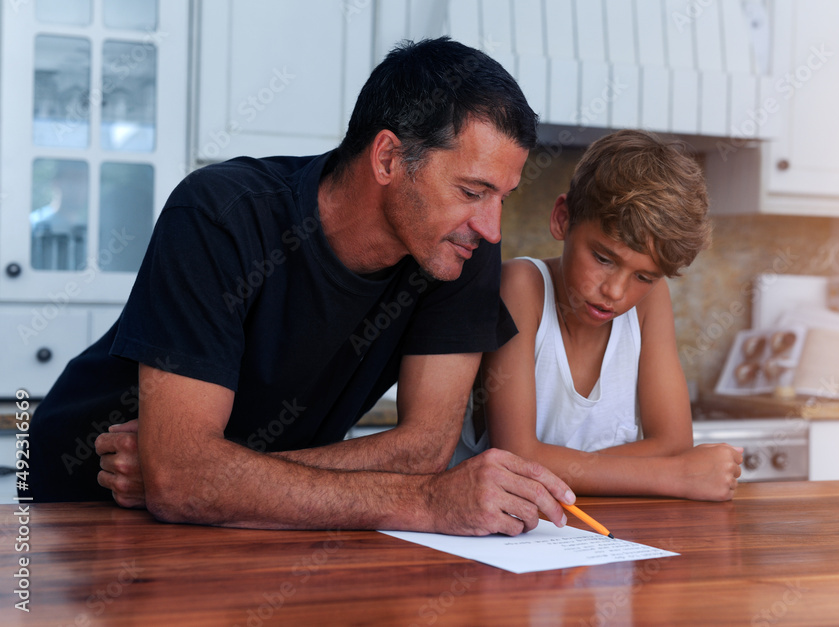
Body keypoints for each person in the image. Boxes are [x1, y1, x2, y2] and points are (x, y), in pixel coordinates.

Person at [23, 37, 577, 536]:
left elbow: (423, 451)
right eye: (472, 189)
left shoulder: (460, 248)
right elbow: (184, 481)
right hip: (79, 505)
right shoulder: (220, 213)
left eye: (502, 196)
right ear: (388, 157)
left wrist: (205, 475)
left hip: (249, 522)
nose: (492, 225)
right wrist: (426, 503)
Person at [451, 130, 743, 500]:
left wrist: (562, 468)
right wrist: (674, 476)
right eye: (604, 259)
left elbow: (674, 442)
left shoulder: (650, 303)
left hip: (601, 536)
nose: (616, 292)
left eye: (644, 276)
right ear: (562, 219)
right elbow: (518, 456)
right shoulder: (521, 287)